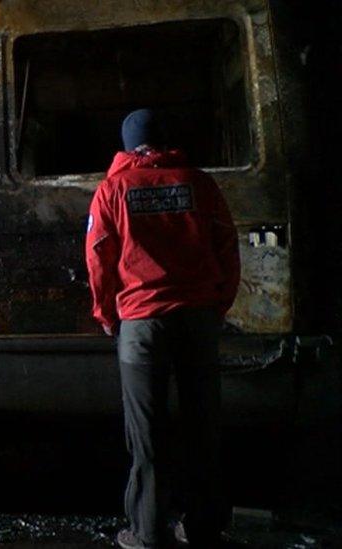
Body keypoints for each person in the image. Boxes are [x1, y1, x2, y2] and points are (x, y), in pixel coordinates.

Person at [85, 109, 241, 548]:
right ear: (164, 141)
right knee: (203, 427)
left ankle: (148, 532)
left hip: (141, 323)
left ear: (127, 144)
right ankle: (203, 526)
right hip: (197, 318)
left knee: (147, 435)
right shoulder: (201, 185)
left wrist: (106, 314)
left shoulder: (112, 189)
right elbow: (227, 248)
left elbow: (98, 258)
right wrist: (218, 305)